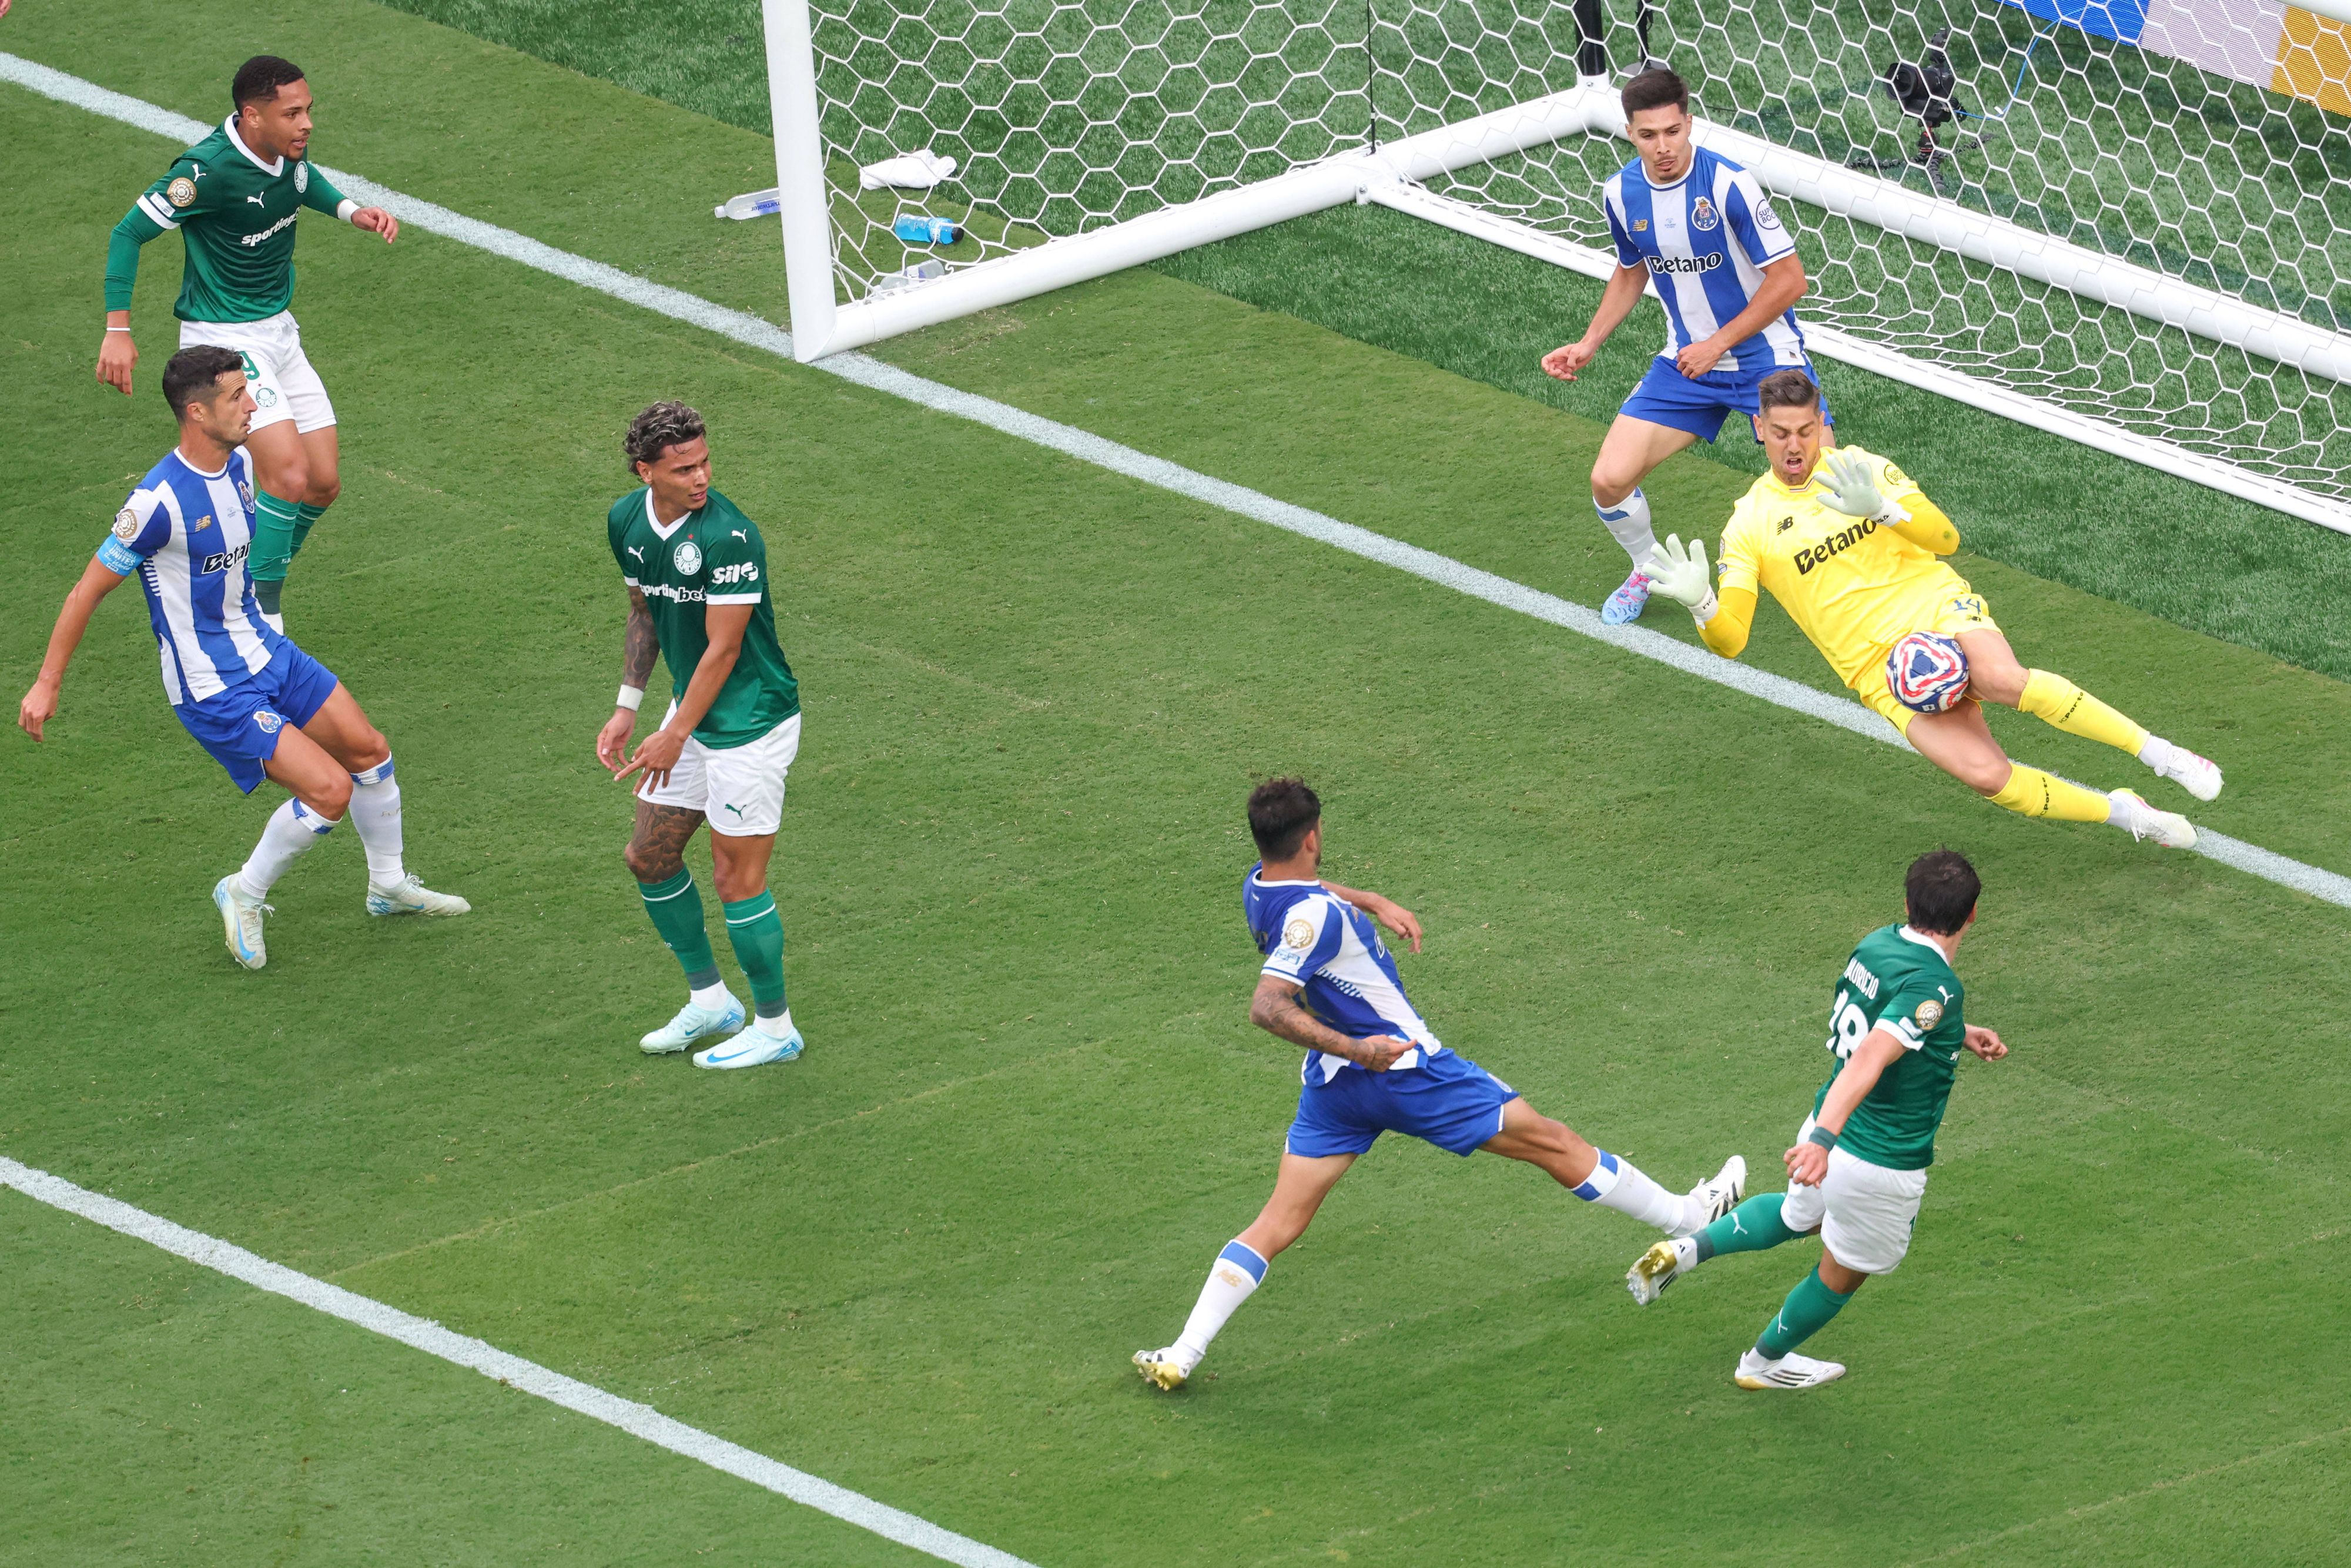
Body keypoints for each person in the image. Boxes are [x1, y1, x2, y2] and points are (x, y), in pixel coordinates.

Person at [1132, 778, 1746, 1391]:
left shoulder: (1258, 886)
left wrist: (1370, 899)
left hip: (1333, 1091)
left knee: (1275, 1222)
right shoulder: (1315, 914)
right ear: (1314, 836)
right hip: (1405, 1070)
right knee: (1552, 1142)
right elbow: (1267, 1006)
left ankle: (1182, 1352)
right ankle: (1687, 1217)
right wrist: (1360, 1046)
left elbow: (1312, 898)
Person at [18, 347, 467, 968]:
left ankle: (387, 885)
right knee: (330, 790)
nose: (252, 404)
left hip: (265, 649)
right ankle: (243, 891)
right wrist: (46, 684)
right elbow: (85, 592)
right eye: (236, 396)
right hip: (213, 686)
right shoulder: (156, 504)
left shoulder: (241, 464)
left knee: (370, 750)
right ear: (196, 412)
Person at [1643, 369, 2218, 846]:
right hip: (1879, 673)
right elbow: (1732, 639)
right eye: (1780, 432)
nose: (1794, 446)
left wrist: (1882, 509)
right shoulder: (1748, 526)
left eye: (1804, 430)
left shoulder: (1861, 469)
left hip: (1935, 608)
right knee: (1991, 778)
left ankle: (2162, 756)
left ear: (1820, 425)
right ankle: (2126, 813)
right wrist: (1701, 603)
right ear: (1757, 429)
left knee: (2001, 678)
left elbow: (1946, 540)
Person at [1623, 850, 2005, 1391]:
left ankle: (1686, 1250)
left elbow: (1891, 1022)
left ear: (1906, 903)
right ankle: (1762, 1364)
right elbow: (1874, 1054)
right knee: (1845, 1270)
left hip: (1827, 1123)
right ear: (1971, 916)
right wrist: (1824, 1142)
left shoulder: (1877, 944)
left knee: (1794, 1215)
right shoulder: (1936, 989)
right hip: (1877, 1159)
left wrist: (1954, 1032)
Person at [98, 55, 400, 626]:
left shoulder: (286, 148)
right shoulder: (206, 172)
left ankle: (248, 577)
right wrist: (118, 331)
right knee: (286, 475)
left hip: (280, 333)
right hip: (224, 341)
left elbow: (303, 184)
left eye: (308, 110)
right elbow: (127, 233)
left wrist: (351, 210)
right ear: (252, 115)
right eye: (292, 113)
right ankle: (259, 614)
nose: (306, 123)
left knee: (323, 482)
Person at [1542, 67, 1827, 626]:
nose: (1664, 146)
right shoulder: (1621, 193)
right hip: (1686, 366)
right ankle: (1648, 568)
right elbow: (1632, 271)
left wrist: (1717, 343)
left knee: (1819, 486)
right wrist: (1589, 343)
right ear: (1630, 133)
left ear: (1689, 122)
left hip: (1764, 362)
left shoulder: (1728, 185)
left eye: (1673, 131)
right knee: (1609, 480)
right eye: (1649, 136)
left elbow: (1791, 280)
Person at [595, 403, 805, 1070]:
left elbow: (723, 647)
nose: (701, 476)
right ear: (645, 470)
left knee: (735, 880)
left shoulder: (730, 537)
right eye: (683, 467)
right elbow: (644, 611)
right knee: (648, 857)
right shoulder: (627, 520)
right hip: (690, 717)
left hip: (750, 724)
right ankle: (712, 1001)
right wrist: (629, 707)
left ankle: (775, 1028)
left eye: (705, 461)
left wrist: (674, 734)